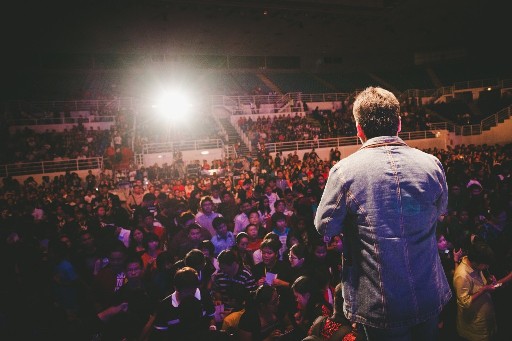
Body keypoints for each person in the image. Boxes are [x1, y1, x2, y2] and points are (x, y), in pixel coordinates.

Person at [315, 86, 451, 340]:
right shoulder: (431, 164)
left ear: (358, 129)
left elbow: (325, 227)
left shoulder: (344, 172)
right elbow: (440, 210)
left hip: (380, 303)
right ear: (399, 124)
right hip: (428, 292)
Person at [453, 239, 499, 341]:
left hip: (484, 318)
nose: (487, 267)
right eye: (485, 264)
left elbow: (477, 285)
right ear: (475, 262)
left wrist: (489, 280)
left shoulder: (475, 266)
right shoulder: (462, 275)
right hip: (474, 322)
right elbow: (464, 302)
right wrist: (484, 289)